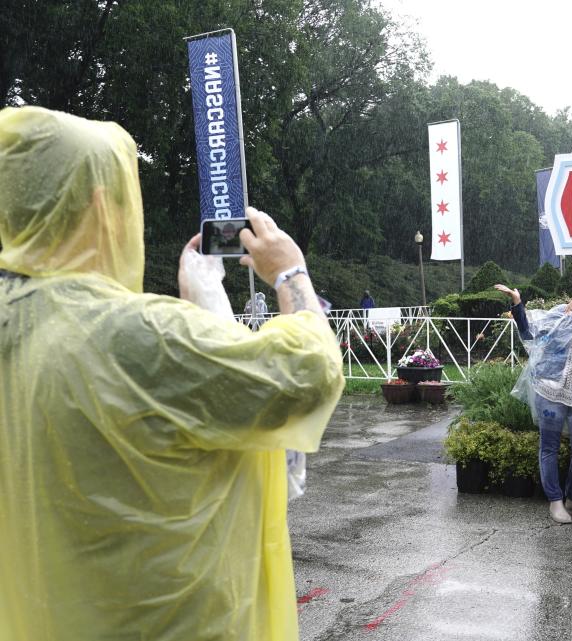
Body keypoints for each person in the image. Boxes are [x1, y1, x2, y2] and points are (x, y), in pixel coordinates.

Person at [0, 106, 345, 641]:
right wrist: (289, 273)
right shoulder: (138, 335)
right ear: (101, 204)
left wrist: (202, 309)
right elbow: (305, 374)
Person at [495, 276, 572, 524]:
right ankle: (555, 501)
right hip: (551, 391)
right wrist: (517, 303)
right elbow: (529, 331)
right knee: (549, 447)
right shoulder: (563, 314)